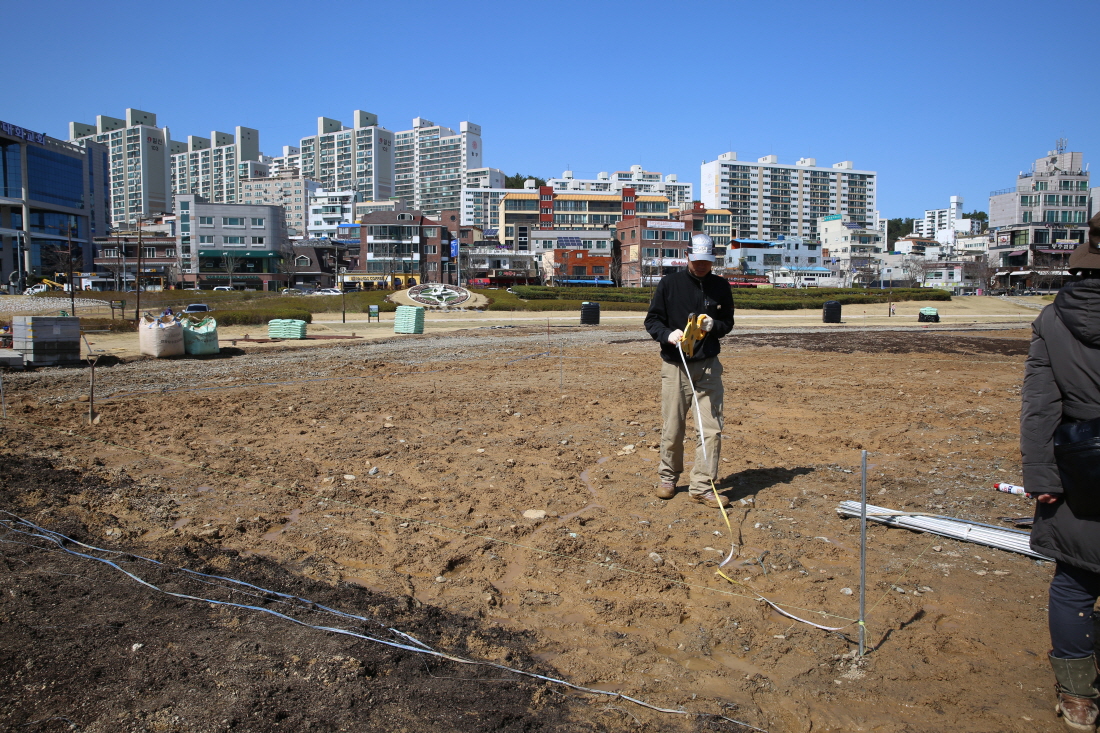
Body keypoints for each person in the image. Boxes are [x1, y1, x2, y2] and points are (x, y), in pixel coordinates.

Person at [1022, 211, 1100, 730]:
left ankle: (1077, 698)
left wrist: (1042, 477)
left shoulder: (1053, 318)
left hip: (1081, 462)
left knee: (1074, 580)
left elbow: (1039, 406)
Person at [644, 233, 735, 508]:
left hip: (708, 367)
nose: (702, 266)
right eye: (697, 261)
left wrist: (713, 327)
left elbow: (728, 322)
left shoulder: (721, 286)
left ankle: (703, 486)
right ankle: (668, 477)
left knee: (712, 429)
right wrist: (666, 335)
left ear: (713, 259)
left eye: (707, 262)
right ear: (687, 257)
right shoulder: (669, 284)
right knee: (673, 426)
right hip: (676, 367)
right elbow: (652, 320)